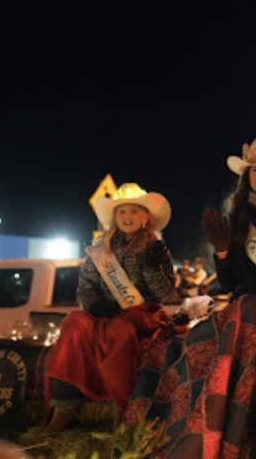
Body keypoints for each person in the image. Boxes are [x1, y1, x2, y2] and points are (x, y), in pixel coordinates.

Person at [124, 135, 256, 459]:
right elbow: (229, 282)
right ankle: (178, 429)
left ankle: (220, 431)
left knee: (246, 310)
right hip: (244, 311)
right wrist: (221, 249)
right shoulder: (240, 215)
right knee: (193, 341)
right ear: (247, 176)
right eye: (255, 171)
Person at [43, 183, 176, 435]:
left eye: (133, 211)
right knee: (74, 324)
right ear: (115, 216)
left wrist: (152, 268)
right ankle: (64, 407)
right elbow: (86, 285)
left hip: (141, 314)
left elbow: (165, 294)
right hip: (103, 313)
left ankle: (122, 408)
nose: (127, 217)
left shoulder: (155, 248)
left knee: (120, 331)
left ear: (145, 216)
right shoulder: (101, 248)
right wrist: (93, 304)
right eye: (122, 211)